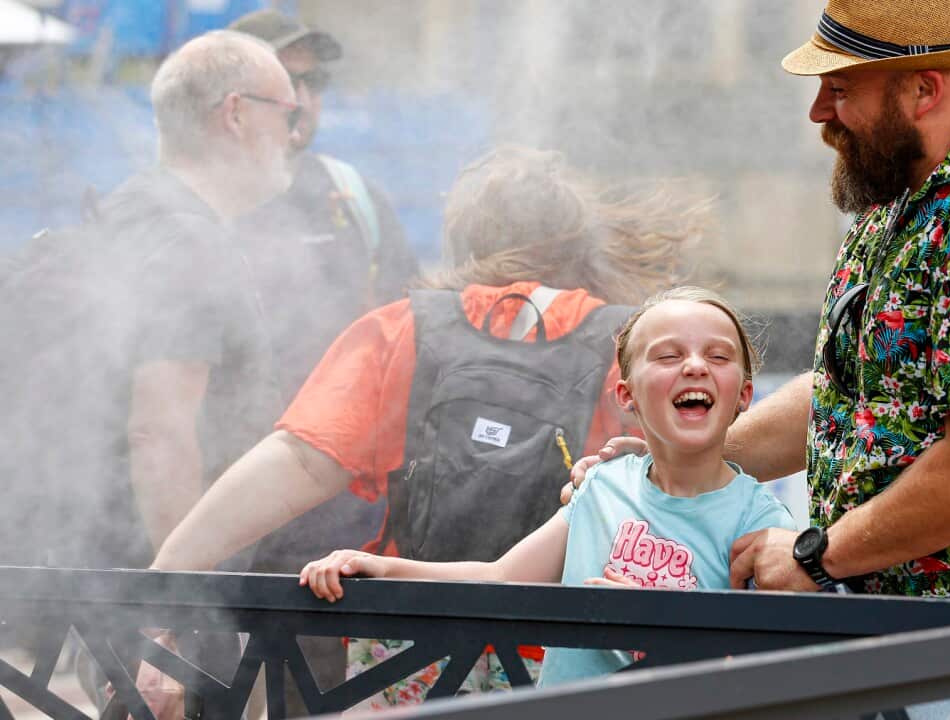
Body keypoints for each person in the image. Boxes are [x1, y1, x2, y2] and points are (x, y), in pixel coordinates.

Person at [570, 1, 950, 716]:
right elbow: (850, 391)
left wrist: (815, 556)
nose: (818, 112)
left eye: (840, 89)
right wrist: (675, 467)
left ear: (923, 88)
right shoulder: (905, 199)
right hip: (937, 634)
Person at [145, 145, 707, 710]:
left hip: (411, 641)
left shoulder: (403, 330)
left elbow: (297, 461)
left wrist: (162, 582)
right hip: (566, 646)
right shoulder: (629, 344)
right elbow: (693, 481)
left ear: (468, 241)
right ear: (580, 244)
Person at [299, 286, 797, 687]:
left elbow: (782, 672)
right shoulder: (602, 486)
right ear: (626, 395)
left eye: (718, 355)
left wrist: (666, 627)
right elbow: (500, 580)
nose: (694, 365)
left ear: (744, 395)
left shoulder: (761, 522)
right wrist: (382, 566)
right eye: (668, 355)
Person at [65, 28, 299, 709]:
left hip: (120, 578)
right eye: (287, 114)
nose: (297, 131)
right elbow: (158, 431)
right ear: (235, 114)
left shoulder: (133, 213)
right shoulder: (186, 242)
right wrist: (170, 624)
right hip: (164, 602)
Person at [227, 8, 421, 577]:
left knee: (322, 668)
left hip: (334, 513)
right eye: (287, 82)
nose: (303, 98)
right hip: (215, 498)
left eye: (314, 83)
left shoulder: (353, 196)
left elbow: (408, 338)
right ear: (231, 102)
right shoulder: (188, 208)